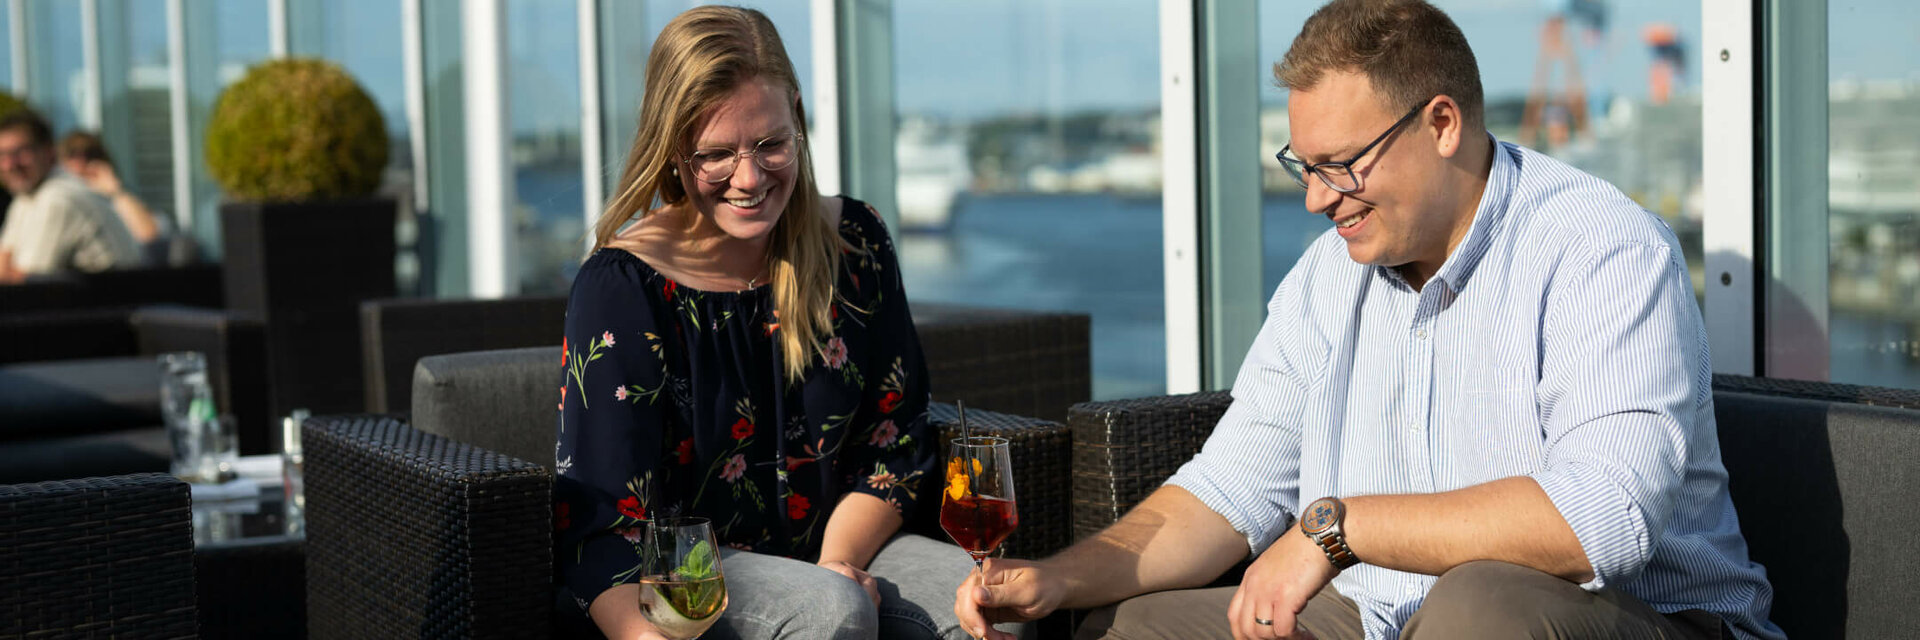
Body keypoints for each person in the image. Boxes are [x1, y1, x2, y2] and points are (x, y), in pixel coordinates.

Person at [954, 1, 1782, 639]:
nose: (1317, 198)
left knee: (1480, 605)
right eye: (1304, 167)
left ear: (1442, 124)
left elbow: (1602, 522)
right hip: (1391, 617)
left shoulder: (1601, 249)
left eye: (1340, 165)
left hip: (1636, 620)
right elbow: (1232, 487)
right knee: (1145, 625)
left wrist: (1338, 530)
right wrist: (1059, 578)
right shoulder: (1328, 277)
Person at [554, 7, 1017, 640]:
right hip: (682, 581)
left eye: (770, 143)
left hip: (839, 547)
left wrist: (838, 562)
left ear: (796, 116)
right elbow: (597, 524)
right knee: (833, 612)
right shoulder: (624, 286)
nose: (749, 179)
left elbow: (894, 437)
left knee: (995, 604)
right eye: (715, 155)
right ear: (672, 150)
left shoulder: (856, 242)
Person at [0, 109, 138, 283]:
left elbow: (25, 281)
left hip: (117, 304)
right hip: (86, 304)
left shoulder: (58, 198)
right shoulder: (26, 197)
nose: (9, 164)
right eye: (2, 154)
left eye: (21, 152)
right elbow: (4, 266)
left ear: (49, 152)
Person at [57, 130, 167, 253]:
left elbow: (149, 236)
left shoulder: (118, 200)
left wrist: (116, 192)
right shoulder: (55, 201)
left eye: (90, 155)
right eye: (72, 155)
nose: (81, 163)